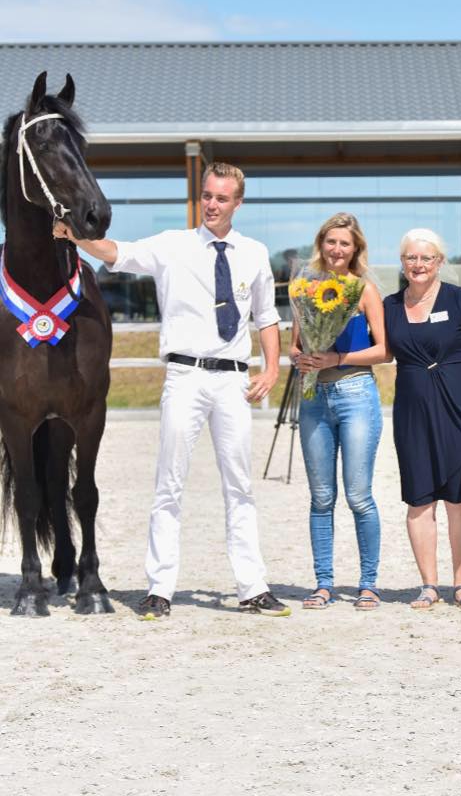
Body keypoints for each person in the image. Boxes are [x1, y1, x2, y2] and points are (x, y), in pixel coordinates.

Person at [55, 162, 289, 619]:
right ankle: (160, 589)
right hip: (185, 377)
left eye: (222, 198)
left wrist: (272, 368)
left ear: (238, 203)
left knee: (239, 486)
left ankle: (252, 586)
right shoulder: (171, 246)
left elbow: (266, 317)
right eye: (207, 196)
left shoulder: (255, 253)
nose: (212, 204)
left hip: (233, 381)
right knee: (169, 485)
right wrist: (73, 235)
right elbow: (114, 252)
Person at [383, 228, 461, 609]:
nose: (418, 265)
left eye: (426, 258)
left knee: (459, 500)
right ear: (402, 263)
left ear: (439, 263)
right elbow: (378, 350)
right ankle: (428, 585)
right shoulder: (390, 305)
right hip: (412, 409)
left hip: (460, 406)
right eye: (411, 258)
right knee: (419, 500)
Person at [289, 213, 388, 611]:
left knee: (359, 495)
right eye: (331, 242)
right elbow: (295, 345)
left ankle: (368, 583)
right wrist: (303, 359)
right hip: (314, 399)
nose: (337, 249)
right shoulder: (303, 288)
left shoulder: (364, 291)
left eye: (344, 243)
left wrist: (336, 357)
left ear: (355, 249)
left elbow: (384, 349)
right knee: (321, 496)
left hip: (355, 394)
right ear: (322, 244)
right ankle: (324, 582)